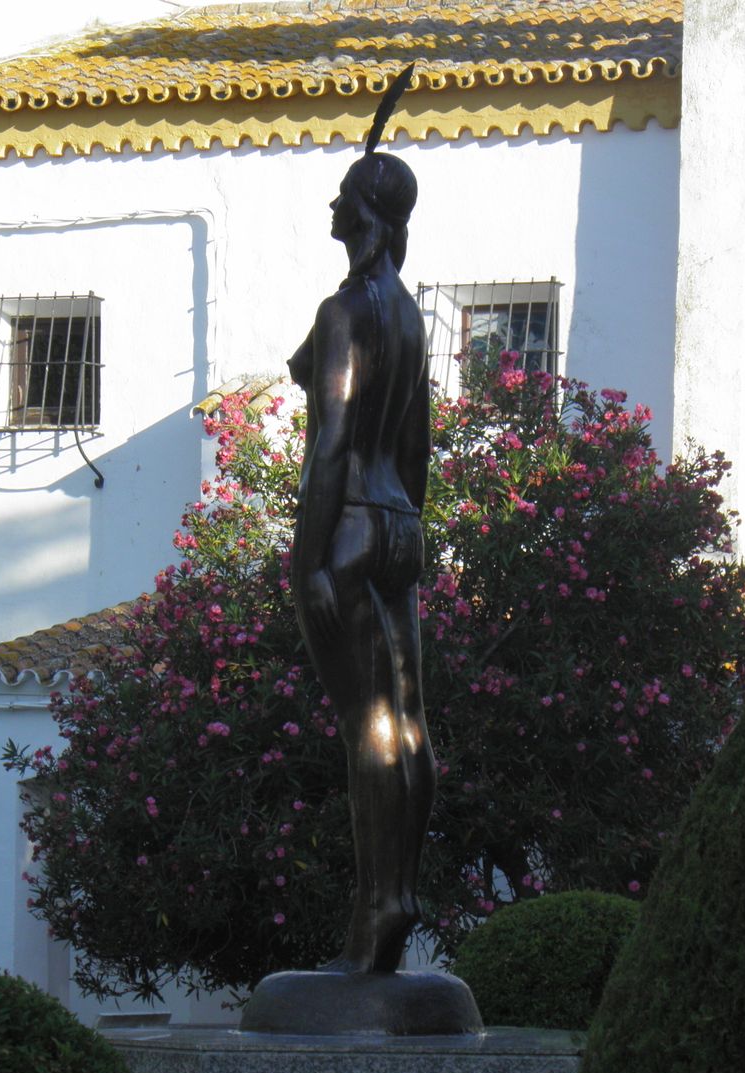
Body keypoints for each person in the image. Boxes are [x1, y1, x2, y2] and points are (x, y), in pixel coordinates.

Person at [286, 145, 433, 974]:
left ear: (367, 214)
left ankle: (378, 910)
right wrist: (407, 527)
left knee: (366, 725)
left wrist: (310, 561)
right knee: (407, 720)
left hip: (346, 525)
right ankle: (397, 896)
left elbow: (333, 440)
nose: (332, 209)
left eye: (343, 196)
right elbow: (415, 443)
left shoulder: (346, 311)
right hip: (398, 520)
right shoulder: (406, 315)